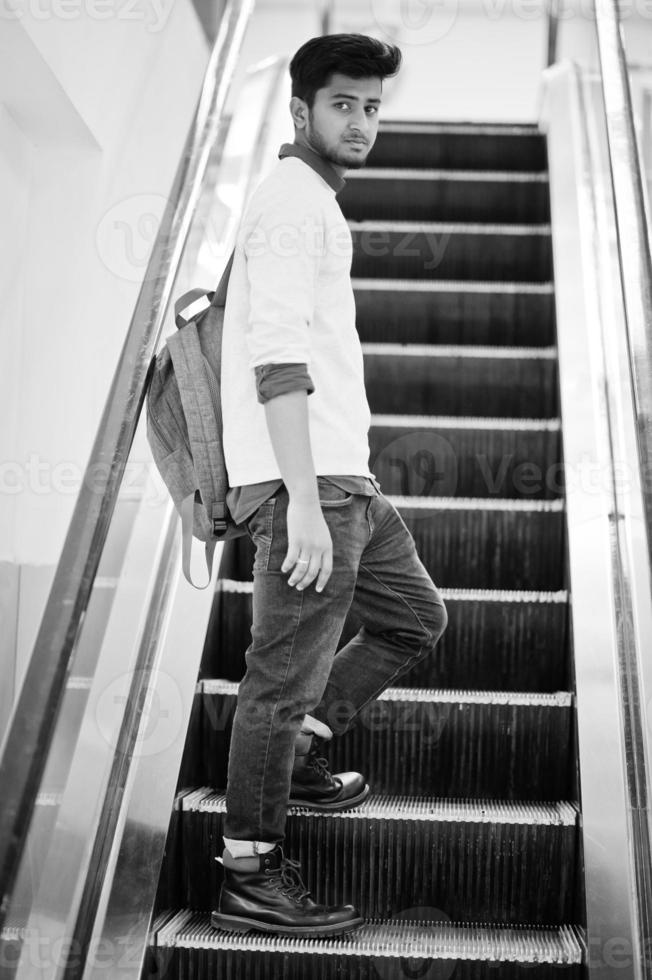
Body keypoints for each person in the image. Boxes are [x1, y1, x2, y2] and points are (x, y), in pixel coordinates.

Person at [213, 33, 447, 938]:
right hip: (307, 484)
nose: (360, 121)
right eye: (343, 104)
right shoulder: (287, 201)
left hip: (346, 477)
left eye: (372, 106)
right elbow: (276, 358)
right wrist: (303, 500)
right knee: (280, 677)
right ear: (301, 110)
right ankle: (250, 869)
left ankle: (304, 752)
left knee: (415, 618)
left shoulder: (314, 200)